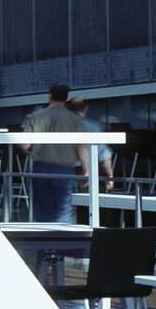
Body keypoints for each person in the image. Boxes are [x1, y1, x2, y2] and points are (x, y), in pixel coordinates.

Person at [23, 84, 91, 222]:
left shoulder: (35, 117)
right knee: (63, 210)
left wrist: (37, 151)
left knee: (42, 209)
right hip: (64, 169)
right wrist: (86, 171)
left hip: (40, 168)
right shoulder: (75, 119)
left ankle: (45, 233)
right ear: (66, 97)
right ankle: (61, 233)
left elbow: (25, 144)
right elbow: (81, 147)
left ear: (50, 96)